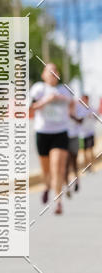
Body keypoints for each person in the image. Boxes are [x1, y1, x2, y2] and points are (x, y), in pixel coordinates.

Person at [29, 63, 75, 215]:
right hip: (43, 133)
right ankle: (47, 186)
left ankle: (58, 201)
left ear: (59, 75)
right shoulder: (38, 88)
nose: (52, 73)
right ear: (44, 75)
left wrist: (63, 103)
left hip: (60, 132)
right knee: (46, 169)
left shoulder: (65, 90)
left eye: (55, 71)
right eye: (49, 71)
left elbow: (72, 104)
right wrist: (45, 101)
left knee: (58, 167)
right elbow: (30, 107)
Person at [79, 93, 96, 171]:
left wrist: (91, 116)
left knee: (91, 149)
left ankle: (91, 165)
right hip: (82, 134)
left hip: (90, 132)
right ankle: (87, 166)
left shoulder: (91, 109)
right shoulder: (79, 109)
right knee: (84, 151)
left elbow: (95, 118)